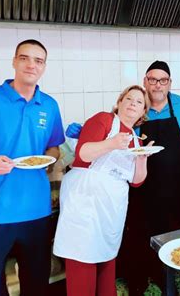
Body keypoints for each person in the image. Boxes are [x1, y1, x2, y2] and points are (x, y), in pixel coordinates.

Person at [65, 60, 180, 293]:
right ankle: (137, 280)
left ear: (169, 83)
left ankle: (164, 278)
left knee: (165, 238)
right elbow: (85, 153)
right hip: (132, 197)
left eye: (163, 80)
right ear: (145, 82)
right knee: (131, 240)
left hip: (171, 190)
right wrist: (107, 141)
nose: (157, 85)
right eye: (152, 80)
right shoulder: (109, 121)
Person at [0, 39, 65, 295]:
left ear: (44, 66)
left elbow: (54, 148)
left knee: (37, 286)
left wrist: (48, 161)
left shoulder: (49, 106)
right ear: (14, 61)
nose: (31, 65)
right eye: (25, 58)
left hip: (36, 213)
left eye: (38, 60)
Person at [53, 85, 152, 296]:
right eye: (129, 99)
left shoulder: (135, 138)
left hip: (111, 209)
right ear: (119, 102)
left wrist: (142, 158)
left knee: (107, 261)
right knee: (83, 261)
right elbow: (83, 153)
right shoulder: (104, 120)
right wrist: (112, 143)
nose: (133, 103)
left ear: (144, 112)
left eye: (139, 102)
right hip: (86, 204)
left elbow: (136, 181)